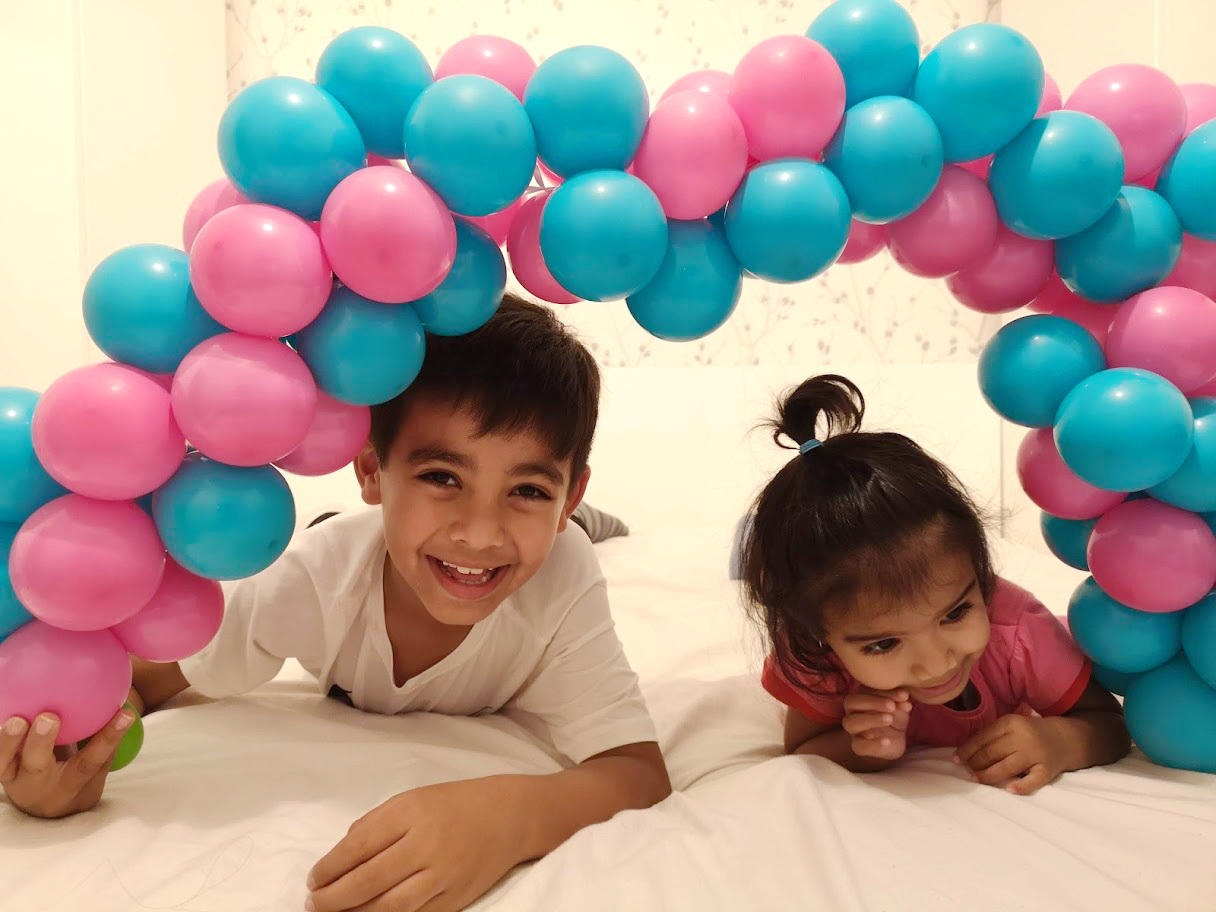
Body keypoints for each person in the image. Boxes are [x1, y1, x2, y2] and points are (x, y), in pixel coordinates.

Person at [1, 293, 670, 912]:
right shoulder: (312, 581)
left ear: (568, 494)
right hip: (349, 541)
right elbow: (144, 679)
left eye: (529, 490)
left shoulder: (563, 574)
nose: (480, 530)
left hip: (554, 539)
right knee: (370, 541)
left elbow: (636, 770)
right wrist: (75, 756)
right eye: (442, 477)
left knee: (580, 540)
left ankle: (589, 518)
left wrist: (507, 818)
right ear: (372, 471)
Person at [740, 374, 1129, 795]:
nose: (935, 665)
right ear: (818, 633)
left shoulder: (1018, 633)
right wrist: (867, 749)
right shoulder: (815, 659)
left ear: (979, 573)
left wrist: (1060, 741)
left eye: (955, 614)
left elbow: (1109, 722)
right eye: (882, 644)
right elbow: (803, 749)